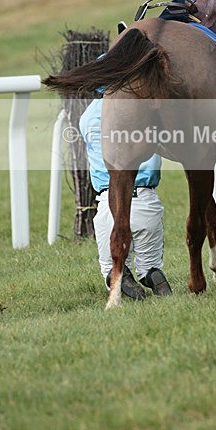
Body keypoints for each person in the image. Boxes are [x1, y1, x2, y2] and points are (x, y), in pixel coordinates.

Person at [79, 97, 173, 300]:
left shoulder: (88, 116)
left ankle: (124, 281)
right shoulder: (148, 107)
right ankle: (151, 274)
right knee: (150, 265)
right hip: (146, 201)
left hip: (109, 203)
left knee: (110, 270)